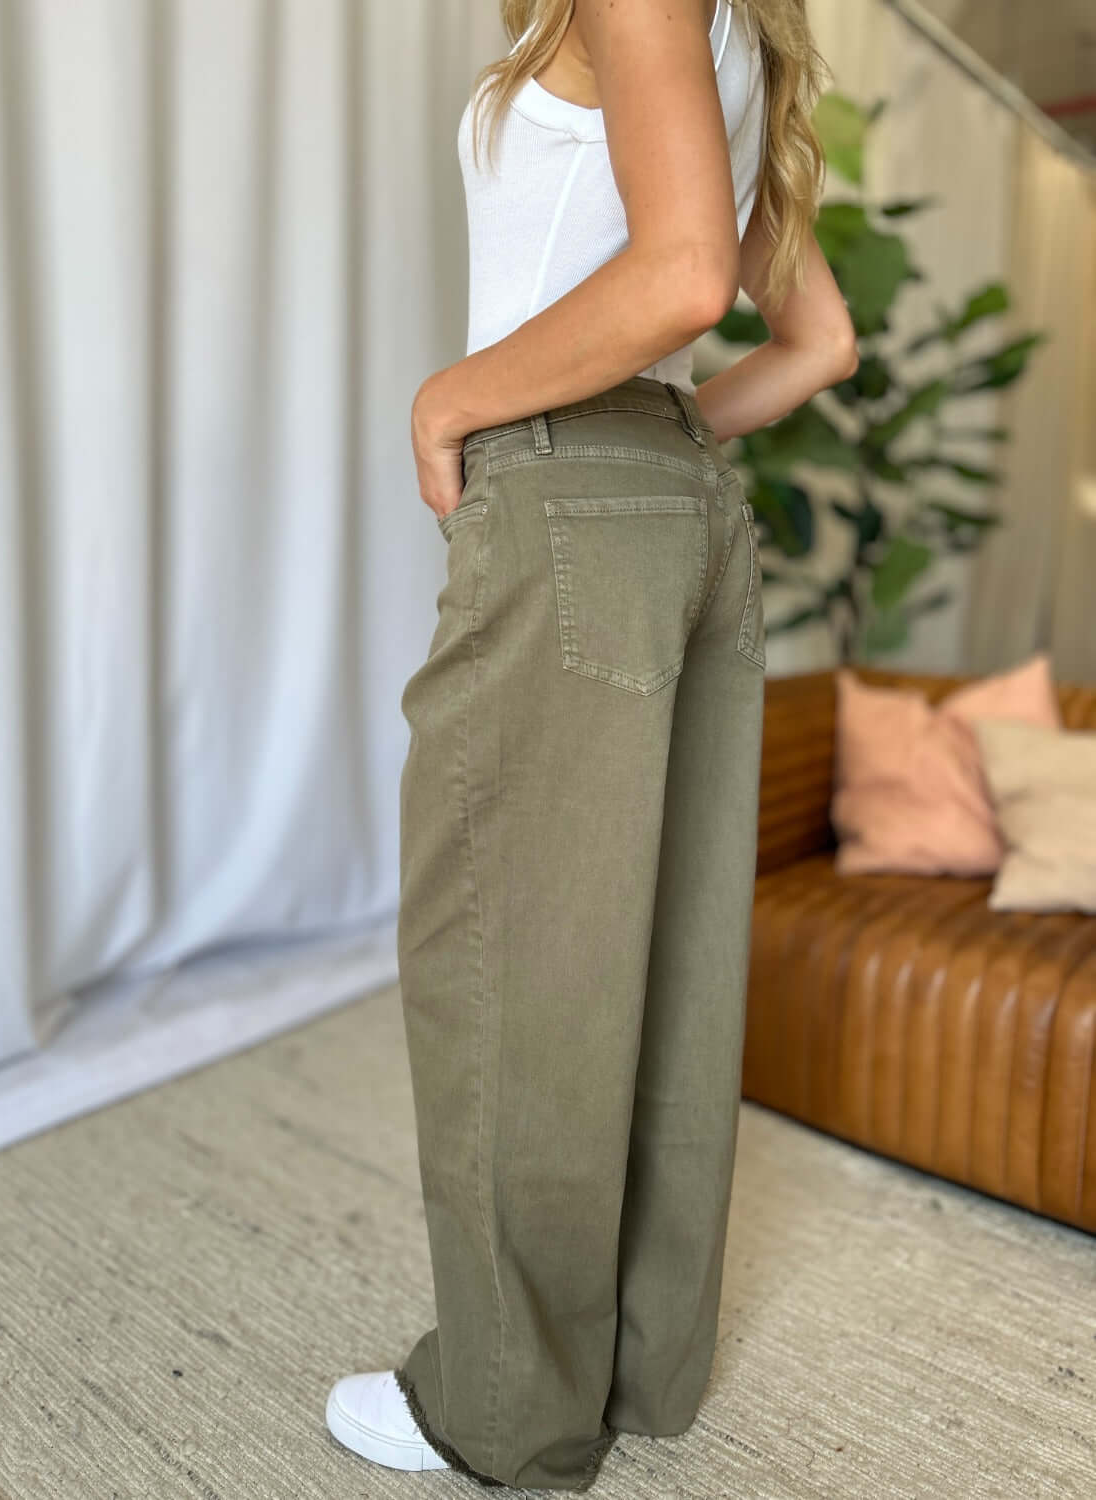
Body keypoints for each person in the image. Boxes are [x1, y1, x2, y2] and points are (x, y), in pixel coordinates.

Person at [326, 0, 857, 1490]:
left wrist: (455, 400)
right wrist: (663, 443)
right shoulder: (739, 31)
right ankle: (635, 1365)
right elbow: (818, 343)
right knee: (661, 957)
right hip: (684, 505)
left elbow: (681, 275)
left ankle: (504, 1413)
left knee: (507, 951)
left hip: (568, 496)